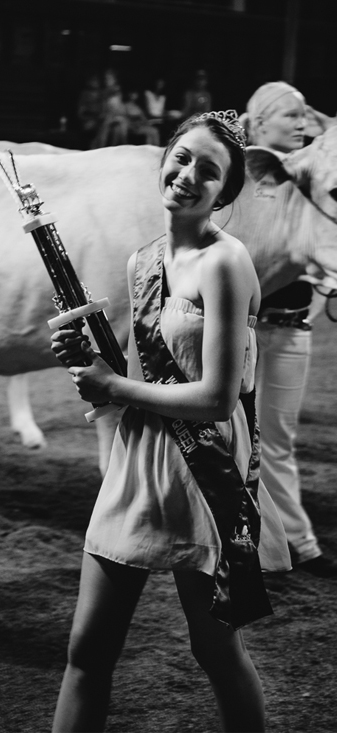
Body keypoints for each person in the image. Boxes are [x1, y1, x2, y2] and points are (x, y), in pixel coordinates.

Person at [50, 111, 290, 732]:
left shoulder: (226, 263)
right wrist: (91, 366)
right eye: (181, 159)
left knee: (213, 648)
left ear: (223, 194)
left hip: (204, 465)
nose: (187, 177)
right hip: (139, 459)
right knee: (86, 650)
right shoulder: (143, 260)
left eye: (207, 173)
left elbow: (217, 396)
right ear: (164, 160)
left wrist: (115, 384)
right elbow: (139, 384)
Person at [241, 81, 337, 578]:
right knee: (242, 438)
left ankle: (292, 542)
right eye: (289, 116)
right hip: (248, 329)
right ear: (257, 124)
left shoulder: (318, 176)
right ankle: (277, 544)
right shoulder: (240, 182)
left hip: (294, 327)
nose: (302, 124)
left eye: (305, 117)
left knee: (275, 439)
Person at [76, 73, 104, 148]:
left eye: (97, 81)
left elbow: (103, 109)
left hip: (100, 120)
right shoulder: (85, 94)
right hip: (88, 120)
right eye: (93, 80)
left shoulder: (101, 94)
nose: (95, 82)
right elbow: (81, 113)